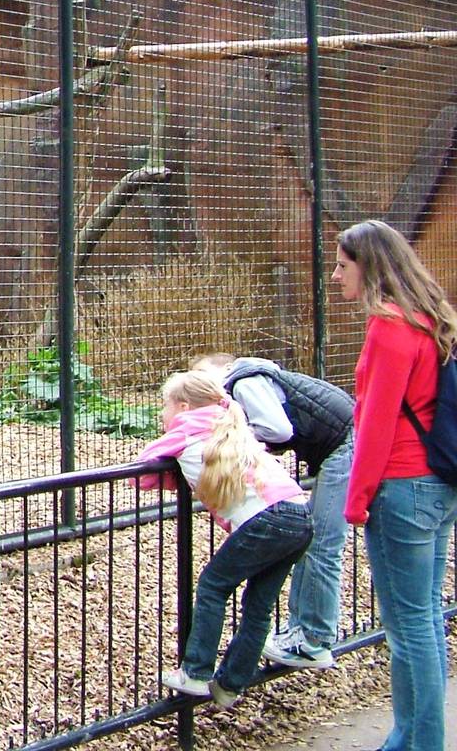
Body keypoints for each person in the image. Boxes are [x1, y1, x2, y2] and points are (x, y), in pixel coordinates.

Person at [337, 219, 457, 751]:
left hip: (401, 487)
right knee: (425, 617)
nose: (337, 275)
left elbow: (377, 422)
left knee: (409, 629)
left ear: (371, 267)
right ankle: (409, 736)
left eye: (343, 265)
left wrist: (356, 500)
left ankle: (421, 741)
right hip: (436, 485)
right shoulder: (428, 320)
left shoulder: (388, 328)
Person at [140, 370, 314, 709]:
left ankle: (196, 671)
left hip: (267, 519)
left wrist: (174, 470)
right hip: (299, 513)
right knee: (259, 606)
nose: (162, 414)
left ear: (184, 407)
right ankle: (230, 685)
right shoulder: (230, 425)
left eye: (165, 406)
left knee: (213, 585)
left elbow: (144, 470)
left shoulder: (186, 429)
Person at [192, 352, 352, 669]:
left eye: (202, 373)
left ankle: (313, 638)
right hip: (341, 444)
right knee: (315, 541)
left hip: (346, 445)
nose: (199, 381)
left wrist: (237, 436)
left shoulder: (242, 380)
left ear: (224, 367)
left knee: (320, 542)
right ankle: (304, 632)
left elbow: (277, 429)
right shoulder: (255, 378)